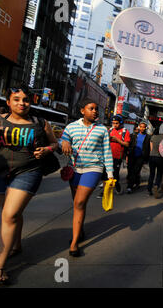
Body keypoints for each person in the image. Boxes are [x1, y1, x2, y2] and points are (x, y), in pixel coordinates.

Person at [0, 86, 58, 284]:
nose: (22, 103)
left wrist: (46, 149)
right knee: (10, 214)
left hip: (28, 172)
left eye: (26, 99)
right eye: (16, 99)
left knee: (8, 215)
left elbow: (54, 143)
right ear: (8, 102)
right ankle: (16, 245)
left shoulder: (40, 123)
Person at [61, 99, 114, 257]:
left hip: (93, 168)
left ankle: (74, 242)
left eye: (96, 109)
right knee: (77, 203)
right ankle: (80, 230)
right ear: (82, 110)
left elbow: (106, 152)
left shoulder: (102, 130)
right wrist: (64, 142)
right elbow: (63, 140)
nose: (95, 111)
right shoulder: (71, 127)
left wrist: (110, 175)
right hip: (74, 169)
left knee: (79, 202)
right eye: (91, 108)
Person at [97, 115, 130, 197]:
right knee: (105, 174)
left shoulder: (125, 132)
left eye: (116, 123)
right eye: (113, 123)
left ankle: (117, 186)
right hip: (107, 156)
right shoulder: (110, 130)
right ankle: (105, 192)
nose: (115, 125)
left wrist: (117, 140)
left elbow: (126, 144)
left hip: (117, 157)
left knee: (114, 175)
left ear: (121, 123)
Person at [126, 122, 150, 193]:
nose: (142, 128)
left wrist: (146, 158)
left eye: (143, 127)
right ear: (139, 127)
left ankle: (129, 187)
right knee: (130, 170)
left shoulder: (148, 137)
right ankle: (137, 182)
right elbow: (129, 145)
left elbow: (148, 148)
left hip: (141, 157)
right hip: (132, 156)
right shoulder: (134, 135)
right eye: (141, 127)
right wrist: (127, 154)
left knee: (135, 171)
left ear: (146, 128)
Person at [148, 129, 163, 198]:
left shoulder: (152, 137)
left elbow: (151, 148)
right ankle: (156, 185)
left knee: (151, 173)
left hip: (152, 157)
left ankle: (149, 189)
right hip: (160, 158)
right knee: (159, 173)